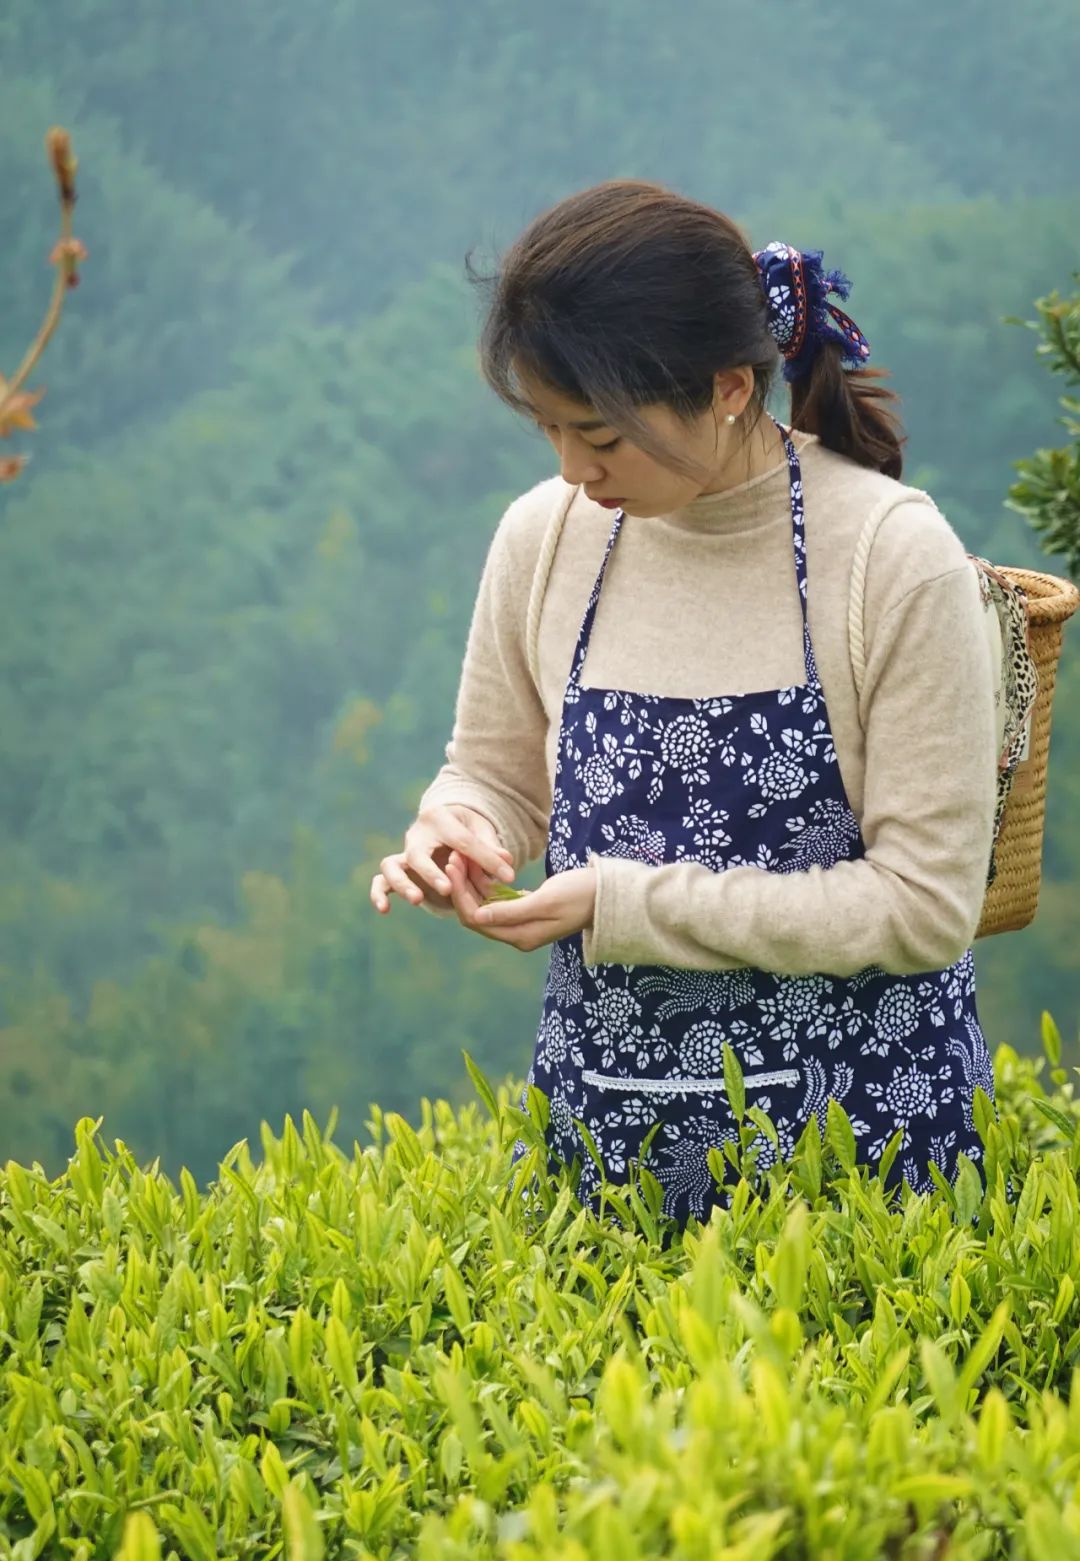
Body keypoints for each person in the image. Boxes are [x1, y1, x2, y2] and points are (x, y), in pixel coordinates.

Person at [369, 179, 1000, 1226]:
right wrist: (464, 829)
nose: (573, 471)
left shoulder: (891, 556)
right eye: (550, 431)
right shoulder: (547, 537)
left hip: (866, 1171)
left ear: (725, 389)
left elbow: (928, 907)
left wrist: (628, 906)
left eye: (603, 437)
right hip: (607, 1144)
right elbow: (493, 768)